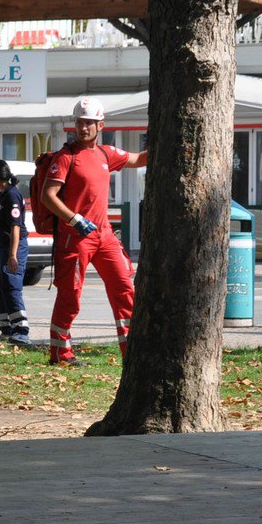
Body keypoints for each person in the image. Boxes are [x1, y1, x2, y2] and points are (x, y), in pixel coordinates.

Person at [41, 96, 149, 366]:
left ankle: (132, 353)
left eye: (89, 123)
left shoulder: (106, 154)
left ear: (101, 125)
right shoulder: (66, 157)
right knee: (71, 295)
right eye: (79, 122)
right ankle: (60, 354)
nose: (83, 127)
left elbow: (138, 159)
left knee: (124, 287)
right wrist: (74, 219)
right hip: (75, 238)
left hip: (105, 236)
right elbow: (47, 196)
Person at [0, 159, 31, 346]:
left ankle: (21, 330)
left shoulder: (12, 196)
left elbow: (15, 227)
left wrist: (13, 255)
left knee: (12, 286)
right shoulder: (4, 194)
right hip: (2, 248)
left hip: (13, 248)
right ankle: (7, 329)